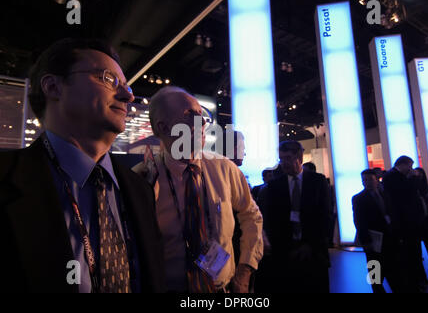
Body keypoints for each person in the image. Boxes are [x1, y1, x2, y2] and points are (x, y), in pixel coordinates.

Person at [0, 38, 165, 293]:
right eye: (108, 79)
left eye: (125, 85)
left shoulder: (140, 190)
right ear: (53, 87)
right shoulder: (7, 179)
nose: (128, 94)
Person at [133, 86, 263, 293]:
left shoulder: (224, 169)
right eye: (190, 114)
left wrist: (245, 270)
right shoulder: (141, 179)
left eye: (201, 114)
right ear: (164, 128)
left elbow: (251, 215)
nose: (202, 121)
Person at [262, 140, 332, 293]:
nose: (283, 163)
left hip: (314, 252)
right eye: (281, 159)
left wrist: (310, 244)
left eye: (287, 158)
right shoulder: (274, 186)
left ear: (299, 157)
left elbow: (325, 216)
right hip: (284, 253)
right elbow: (271, 220)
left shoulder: (318, 181)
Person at [352, 169, 404, 293]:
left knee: (392, 269)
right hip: (373, 239)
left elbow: (393, 213)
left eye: (370, 179)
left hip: (389, 237)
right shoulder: (358, 198)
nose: (367, 182)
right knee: (375, 273)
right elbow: (359, 221)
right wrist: (366, 241)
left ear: (376, 180)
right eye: (364, 180)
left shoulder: (385, 195)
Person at [382, 155, 427, 292]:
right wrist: (413, 178)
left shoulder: (393, 176)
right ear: (403, 164)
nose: (411, 169)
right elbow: (406, 193)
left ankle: (416, 279)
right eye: (409, 166)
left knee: (413, 250)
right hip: (404, 221)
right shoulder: (392, 177)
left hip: (408, 220)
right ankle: (413, 280)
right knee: (409, 251)